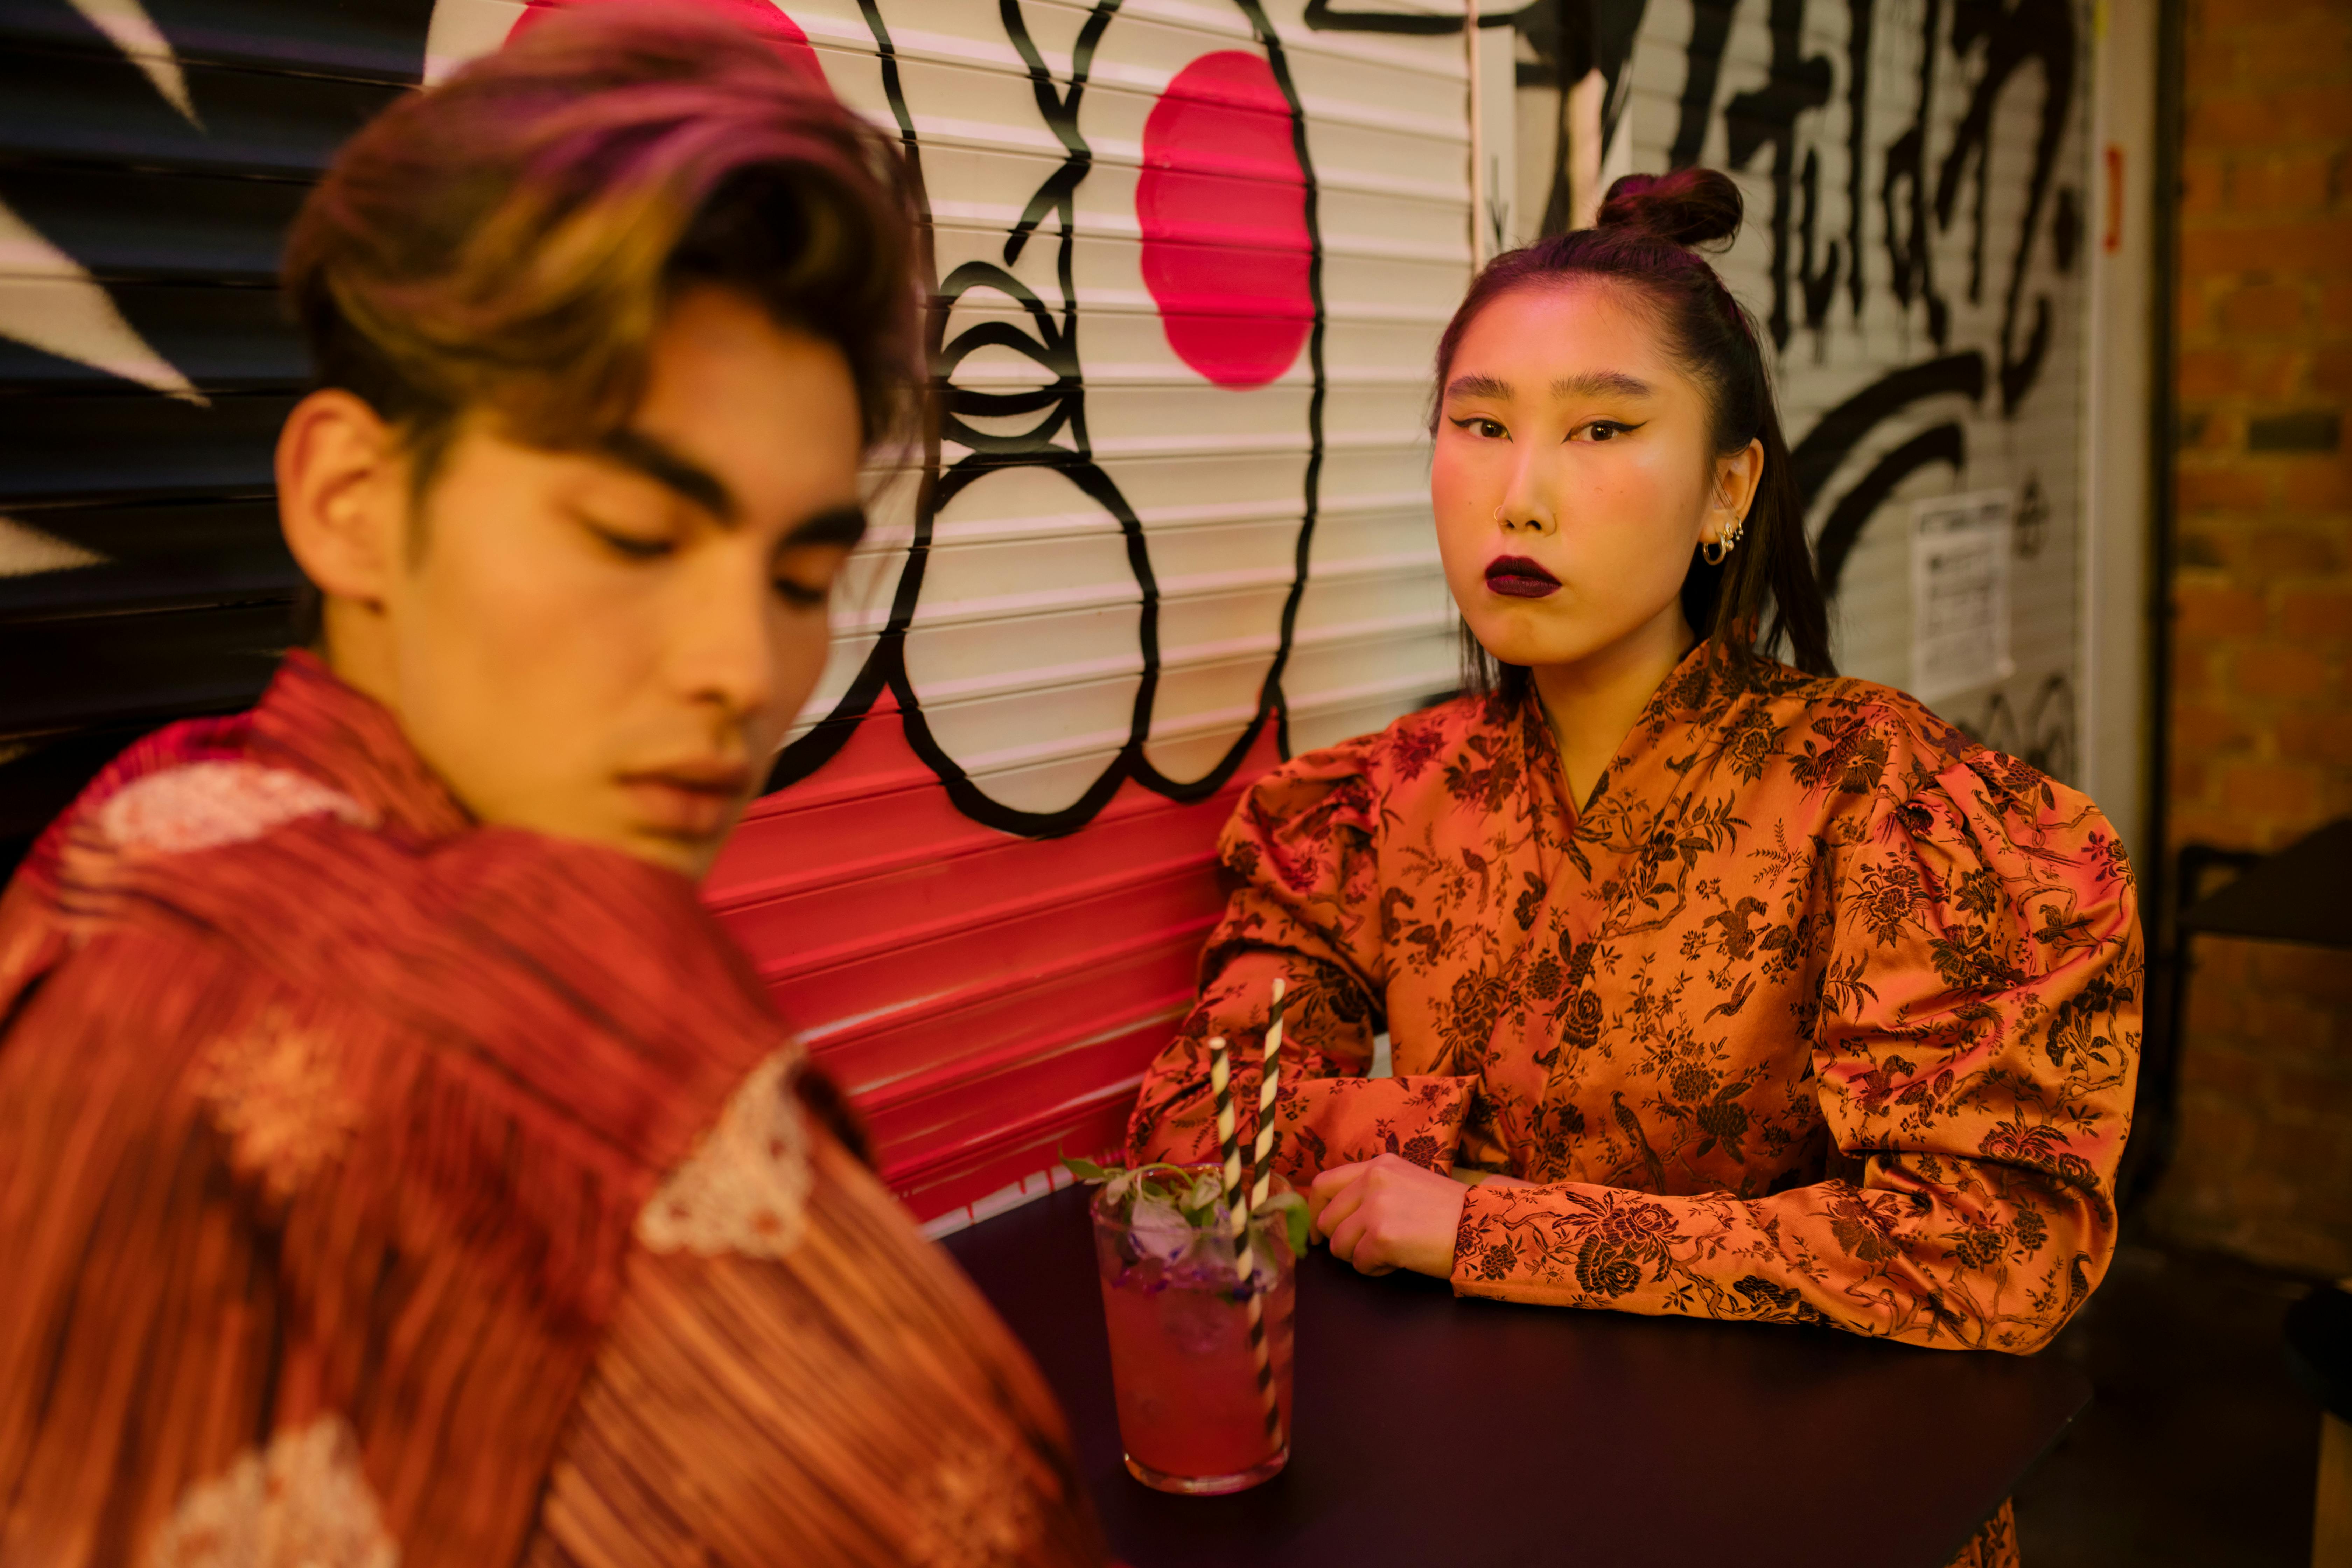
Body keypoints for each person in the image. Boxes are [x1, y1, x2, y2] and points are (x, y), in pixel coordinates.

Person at [0, 10, 1105, 1565]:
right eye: (634, 537)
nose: (741, 667)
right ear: (351, 499)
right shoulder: (536, 1028)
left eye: (799, 572)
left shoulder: (142, 828)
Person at [1126, 169, 2141, 1568]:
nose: (1520, 496)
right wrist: (1427, 1155)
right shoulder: (1374, 802)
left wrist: (1479, 1215)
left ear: (1731, 487)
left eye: (1602, 427)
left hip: (1803, 1507)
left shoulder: (1883, 803)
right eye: (1479, 425)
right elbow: (1193, 1145)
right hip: (1469, 1496)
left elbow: (1995, 1246)